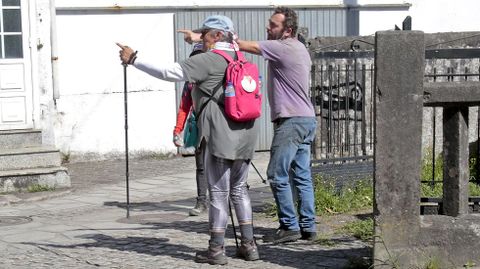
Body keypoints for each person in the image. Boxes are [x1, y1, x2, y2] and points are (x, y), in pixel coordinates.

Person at [117, 15, 260, 265]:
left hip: (220, 135)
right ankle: (249, 247)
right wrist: (199, 36)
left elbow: (169, 72)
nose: (201, 38)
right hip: (246, 134)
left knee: (217, 192)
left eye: (205, 34)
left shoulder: (209, 59)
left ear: (216, 36)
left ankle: (216, 250)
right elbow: (221, 38)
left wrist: (134, 59)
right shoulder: (239, 57)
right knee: (239, 190)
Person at [180, 6, 317, 244]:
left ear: (288, 30)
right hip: (307, 119)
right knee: (302, 175)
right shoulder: (300, 48)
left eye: (273, 25)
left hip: (291, 120)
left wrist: (202, 37)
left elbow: (238, 45)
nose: (268, 28)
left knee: (277, 174)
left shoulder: (281, 47)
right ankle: (308, 226)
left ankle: (289, 226)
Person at [172, 44, 208, 216]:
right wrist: (177, 130)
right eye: (194, 58)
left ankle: (225, 200)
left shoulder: (217, 76)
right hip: (199, 128)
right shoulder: (190, 84)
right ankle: (202, 201)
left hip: (217, 128)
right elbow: (184, 107)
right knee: (201, 166)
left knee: (223, 165)